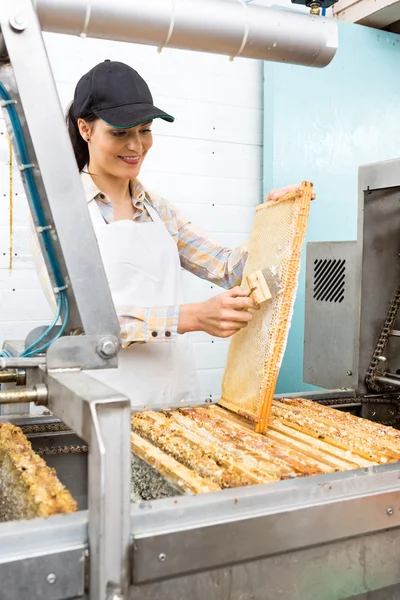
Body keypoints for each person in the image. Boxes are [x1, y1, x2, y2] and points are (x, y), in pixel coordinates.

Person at [30, 60, 304, 407]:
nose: (136, 146)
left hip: (175, 405)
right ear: (85, 129)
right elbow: (80, 322)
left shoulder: (158, 209)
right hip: (103, 407)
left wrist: (277, 219)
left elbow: (229, 269)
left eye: (144, 130)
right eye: (120, 132)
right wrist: (191, 317)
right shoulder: (60, 215)